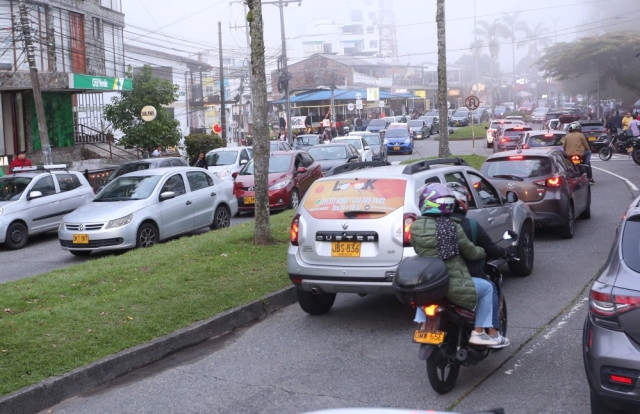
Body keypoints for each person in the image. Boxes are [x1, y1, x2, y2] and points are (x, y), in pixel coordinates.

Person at [410, 183, 510, 348]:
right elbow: (471, 252)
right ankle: (480, 333)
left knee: (425, 293)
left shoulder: (415, 226)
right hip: (452, 282)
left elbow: (417, 248)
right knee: (488, 288)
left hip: (429, 281)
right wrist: (481, 252)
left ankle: (422, 325)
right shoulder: (452, 227)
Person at [447, 182, 513, 342]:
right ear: (463, 203)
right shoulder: (470, 226)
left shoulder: (435, 225)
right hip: (467, 277)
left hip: (439, 278)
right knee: (490, 288)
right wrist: (504, 252)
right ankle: (491, 332)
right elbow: (489, 248)